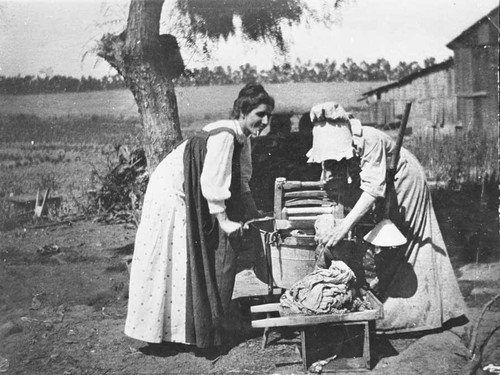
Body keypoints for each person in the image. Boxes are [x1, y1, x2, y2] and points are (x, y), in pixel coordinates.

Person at [124, 83, 274, 349]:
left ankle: (189, 330)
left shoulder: (242, 138)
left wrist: (256, 215)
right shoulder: (227, 135)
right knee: (177, 258)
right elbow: (213, 184)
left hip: (190, 190)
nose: (265, 121)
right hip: (171, 191)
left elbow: (242, 183)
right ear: (242, 111)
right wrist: (225, 221)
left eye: (268, 116)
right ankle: (172, 333)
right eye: (260, 114)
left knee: (188, 258)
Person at [306, 101, 467, 334]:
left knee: (409, 238)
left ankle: (421, 312)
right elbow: (340, 175)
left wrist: (343, 228)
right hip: (385, 183)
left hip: (404, 180)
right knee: (381, 239)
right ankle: (392, 304)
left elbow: (373, 189)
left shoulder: (369, 140)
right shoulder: (341, 141)